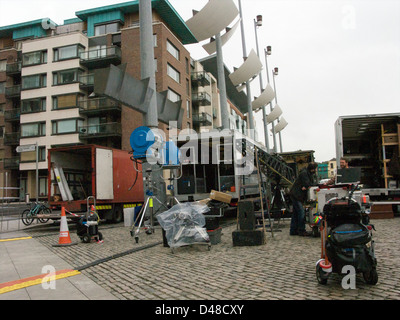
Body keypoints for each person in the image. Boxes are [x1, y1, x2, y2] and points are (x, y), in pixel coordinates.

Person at [289, 162, 318, 236]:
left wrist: (306, 186)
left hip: (296, 195)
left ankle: (293, 230)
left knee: (296, 213)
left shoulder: (306, 173)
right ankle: (301, 230)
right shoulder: (305, 174)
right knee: (301, 213)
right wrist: (309, 186)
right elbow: (307, 184)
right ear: (313, 169)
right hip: (297, 196)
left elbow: (307, 185)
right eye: (316, 168)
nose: (316, 170)